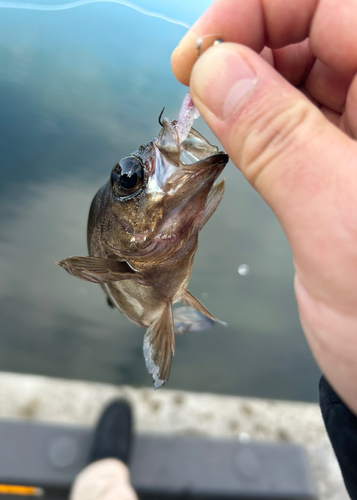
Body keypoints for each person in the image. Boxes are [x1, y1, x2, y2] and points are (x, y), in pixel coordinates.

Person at [73, 0, 357, 497]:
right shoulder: (117, 262)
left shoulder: (175, 218)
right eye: (130, 180)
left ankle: (101, 479)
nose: (142, 171)